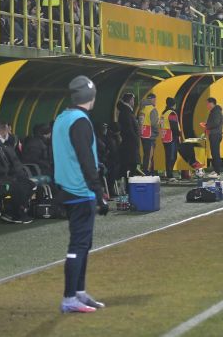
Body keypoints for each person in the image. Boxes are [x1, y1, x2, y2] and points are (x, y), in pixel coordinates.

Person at [52, 75, 108, 314]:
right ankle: (68, 298)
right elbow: (86, 159)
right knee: (78, 245)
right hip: (80, 191)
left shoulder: (62, 118)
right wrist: (98, 191)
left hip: (67, 188)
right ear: (91, 96)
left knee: (84, 244)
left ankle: (79, 292)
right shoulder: (81, 121)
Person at [116, 92, 141, 178]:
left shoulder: (126, 111)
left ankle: (128, 187)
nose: (134, 102)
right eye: (133, 100)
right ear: (130, 100)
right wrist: (136, 140)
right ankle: (128, 188)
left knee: (129, 167)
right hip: (130, 145)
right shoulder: (126, 112)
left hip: (130, 144)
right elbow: (129, 129)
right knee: (130, 167)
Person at [138, 93, 159, 175]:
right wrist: (156, 132)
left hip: (143, 134)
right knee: (149, 155)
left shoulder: (142, 108)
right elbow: (154, 123)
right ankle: (147, 172)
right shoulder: (152, 109)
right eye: (155, 100)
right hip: (150, 135)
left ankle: (148, 170)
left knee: (146, 154)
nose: (155, 101)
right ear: (153, 99)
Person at [203, 97, 223, 179]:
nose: (207, 105)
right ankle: (215, 170)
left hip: (215, 134)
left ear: (212, 103)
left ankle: (217, 172)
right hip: (214, 134)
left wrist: (207, 126)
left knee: (215, 153)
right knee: (214, 153)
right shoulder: (214, 111)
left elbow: (215, 123)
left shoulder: (216, 112)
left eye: (207, 103)